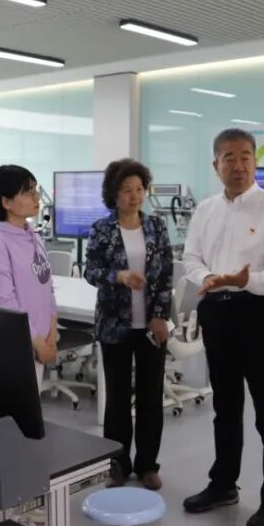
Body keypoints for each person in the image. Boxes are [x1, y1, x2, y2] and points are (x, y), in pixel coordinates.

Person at [181, 128, 264, 526]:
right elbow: (191, 257)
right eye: (229, 158)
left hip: (258, 313)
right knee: (225, 406)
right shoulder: (206, 210)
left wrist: (246, 281)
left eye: (246, 156)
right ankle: (223, 484)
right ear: (216, 165)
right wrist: (210, 278)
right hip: (217, 313)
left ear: (255, 162)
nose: (239, 165)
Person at [83, 159, 174, 491]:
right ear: (114, 194)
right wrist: (119, 276)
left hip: (151, 326)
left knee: (151, 397)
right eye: (126, 190)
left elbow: (165, 274)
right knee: (118, 399)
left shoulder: (156, 227)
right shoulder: (102, 229)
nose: (135, 196)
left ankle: (148, 464)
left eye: (139, 189)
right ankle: (117, 465)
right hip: (114, 325)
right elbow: (90, 271)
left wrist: (161, 315)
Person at [0, 165, 58, 387]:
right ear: (6, 202)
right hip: (14, 347)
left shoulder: (33, 236)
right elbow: (3, 303)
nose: (36, 197)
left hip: (39, 344)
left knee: (33, 405)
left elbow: (47, 288)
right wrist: (38, 343)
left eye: (35, 190)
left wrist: (51, 334)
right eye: (28, 192)